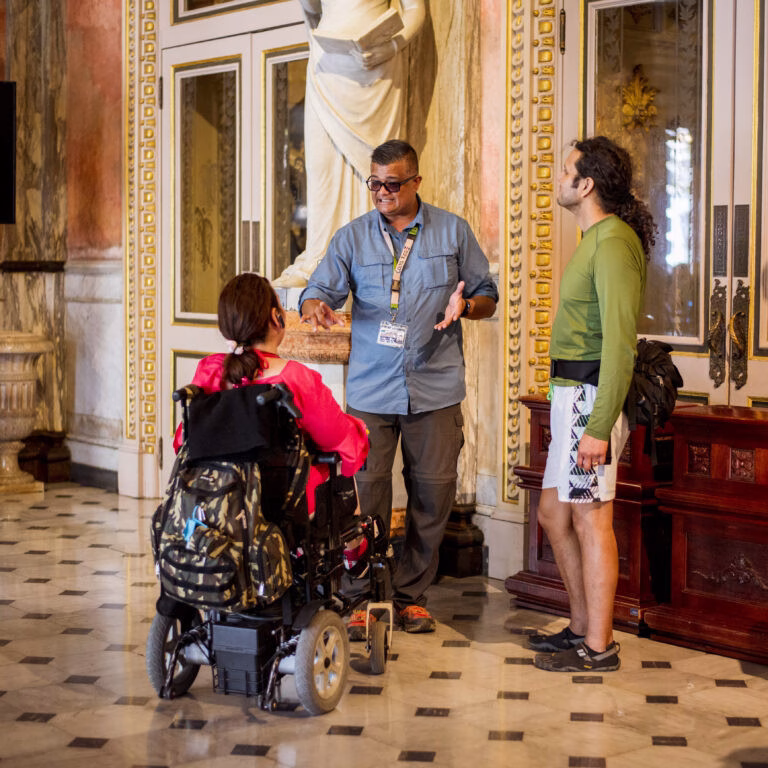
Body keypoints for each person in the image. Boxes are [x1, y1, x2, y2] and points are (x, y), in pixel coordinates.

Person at [298, 139, 498, 634]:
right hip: (370, 390)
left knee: (433, 495)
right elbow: (318, 288)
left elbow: (486, 294)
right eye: (374, 184)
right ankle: (361, 596)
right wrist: (314, 306)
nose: (382, 193)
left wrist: (466, 308)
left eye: (392, 184)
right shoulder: (352, 238)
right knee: (363, 496)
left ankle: (411, 594)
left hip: (435, 386)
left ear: (415, 183)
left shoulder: (452, 231)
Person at [528, 136, 655, 672]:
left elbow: (621, 343)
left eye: (565, 171)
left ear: (586, 184)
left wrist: (599, 427)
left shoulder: (612, 241)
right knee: (553, 512)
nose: (558, 178)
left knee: (589, 519)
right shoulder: (595, 237)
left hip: (589, 399)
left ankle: (600, 647)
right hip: (568, 399)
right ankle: (581, 625)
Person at [173, 273, 371, 569]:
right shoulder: (295, 379)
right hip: (284, 506)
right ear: (277, 318)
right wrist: (361, 432)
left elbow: (182, 441)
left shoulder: (210, 371)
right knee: (344, 459)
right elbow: (340, 439)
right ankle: (355, 552)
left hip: (216, 504)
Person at [273, 0, 426, 287]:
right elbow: (311, 10)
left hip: (375, 63)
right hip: (326, 62)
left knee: (375, 169)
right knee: (321, 168)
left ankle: (371, 260)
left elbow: (416, 10)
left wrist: (391, 47)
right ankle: (319, 258)